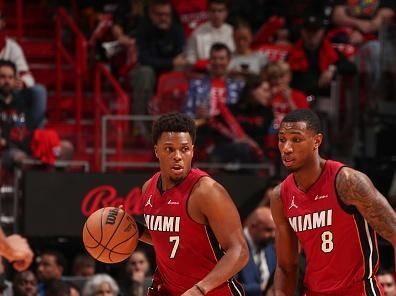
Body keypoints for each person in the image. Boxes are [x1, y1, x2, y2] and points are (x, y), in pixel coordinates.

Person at [270, 109, 396, 295]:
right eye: (282, 139)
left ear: (317, 141)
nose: (287, 148)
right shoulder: (280, 196)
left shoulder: (348, 182)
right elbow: (286, 267)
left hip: (358, 290)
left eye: (296, 140)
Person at [136, 112, 249, 295]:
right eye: (169, 149)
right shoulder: (148, 188)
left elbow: (240, 251)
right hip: (170, 289)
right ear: (157, 151)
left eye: (184, 149)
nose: (178, 156)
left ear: (193, 150)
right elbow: (169, 239)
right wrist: (133, 230)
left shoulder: (207, 191)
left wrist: (199, 289)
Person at [237, 206, 276, 296]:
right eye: (268, 230)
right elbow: (229, 286)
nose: (273, 235)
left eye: (275, 230)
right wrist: (262, 288)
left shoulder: (268, 246)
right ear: (253, 227)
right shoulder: (233, 248)